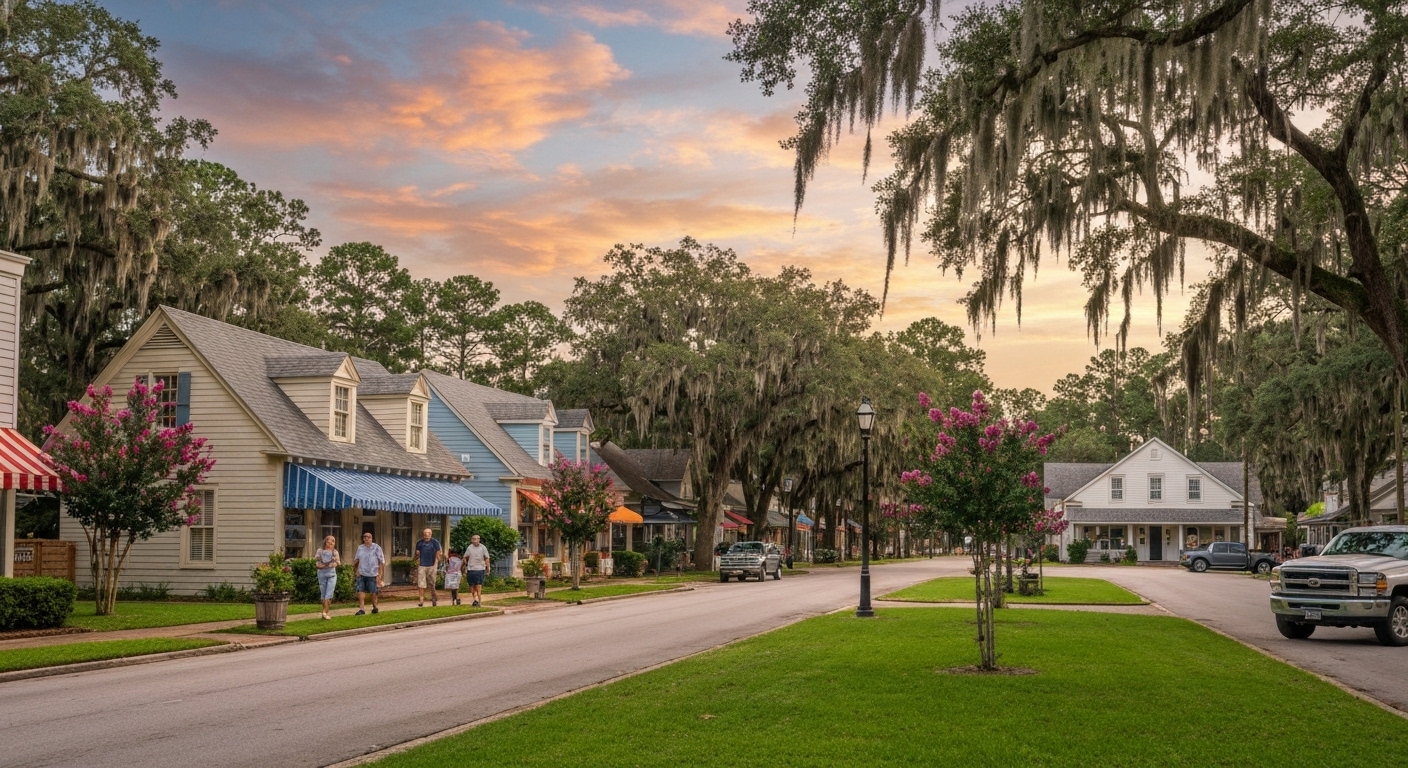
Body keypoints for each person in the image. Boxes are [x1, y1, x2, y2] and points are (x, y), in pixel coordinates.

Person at [352, 531, 386, 615]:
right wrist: (355, 570)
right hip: (362, 573)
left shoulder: (376, 548)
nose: (366, 539)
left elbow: (381, 562)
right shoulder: (360, 548)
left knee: (373, 592)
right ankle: (362, 609)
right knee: (360, 590)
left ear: (371, 538)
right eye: (365, 537)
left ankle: (375, 606)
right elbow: (356, 560)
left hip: (373, 573)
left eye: (368, 537)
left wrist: (380, 575)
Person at [414, 528, 444, 607]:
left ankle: (433, 598)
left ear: (431, 534)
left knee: (432, 583)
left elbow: (438, 552)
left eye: (428, 535)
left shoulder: (435, 542)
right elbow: (417, 554)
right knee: (421, 584)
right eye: (425, 535)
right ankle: (421, 601)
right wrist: (417, 554)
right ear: (423, 535)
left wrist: (439, 560)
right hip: (422, 565)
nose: (426, 537)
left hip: (432, 565)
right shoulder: (419, 543)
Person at [314, 535, 340, 620]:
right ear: (325, 542)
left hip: (332, 574)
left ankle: (324, 612)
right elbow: (318, 564)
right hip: (322, 574)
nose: (330, 544)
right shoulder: (320, 551)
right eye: (329, 542)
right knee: (323, 594)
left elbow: (338, 563)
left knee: (329, 594)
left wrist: (335, 561)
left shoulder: (335, 552)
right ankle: (325, 613)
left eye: (332, 542)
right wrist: (325, 564)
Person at [463, 533, 491, 607]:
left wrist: (488, 569)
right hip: (471, 569)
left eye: (476, 539)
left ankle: (479, 601)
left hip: (480, 569)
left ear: (479, 540)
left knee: (478, 586)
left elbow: (487, 558)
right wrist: (465, 565)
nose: (475, 541)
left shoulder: (483, 548)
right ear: (471, 540)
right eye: (473, 539)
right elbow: (465, 557)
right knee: (471, 586)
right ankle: (475, 600)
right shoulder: (469, 547)